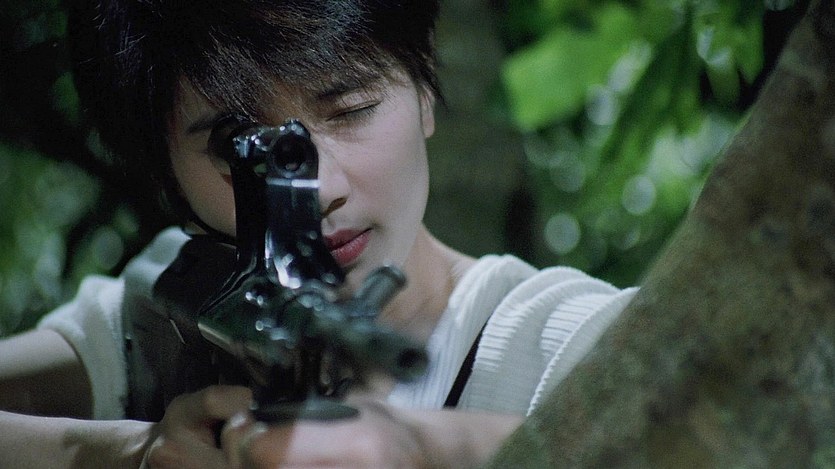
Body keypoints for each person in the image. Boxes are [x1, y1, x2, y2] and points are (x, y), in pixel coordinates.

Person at [0, 0, 638, 467]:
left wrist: (425, 447)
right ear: (166, 168)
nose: (319, 186)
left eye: (351, 110)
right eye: (239, 147)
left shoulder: (559, 338)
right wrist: (129, 453)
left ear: (423, 90)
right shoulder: (176, 312)